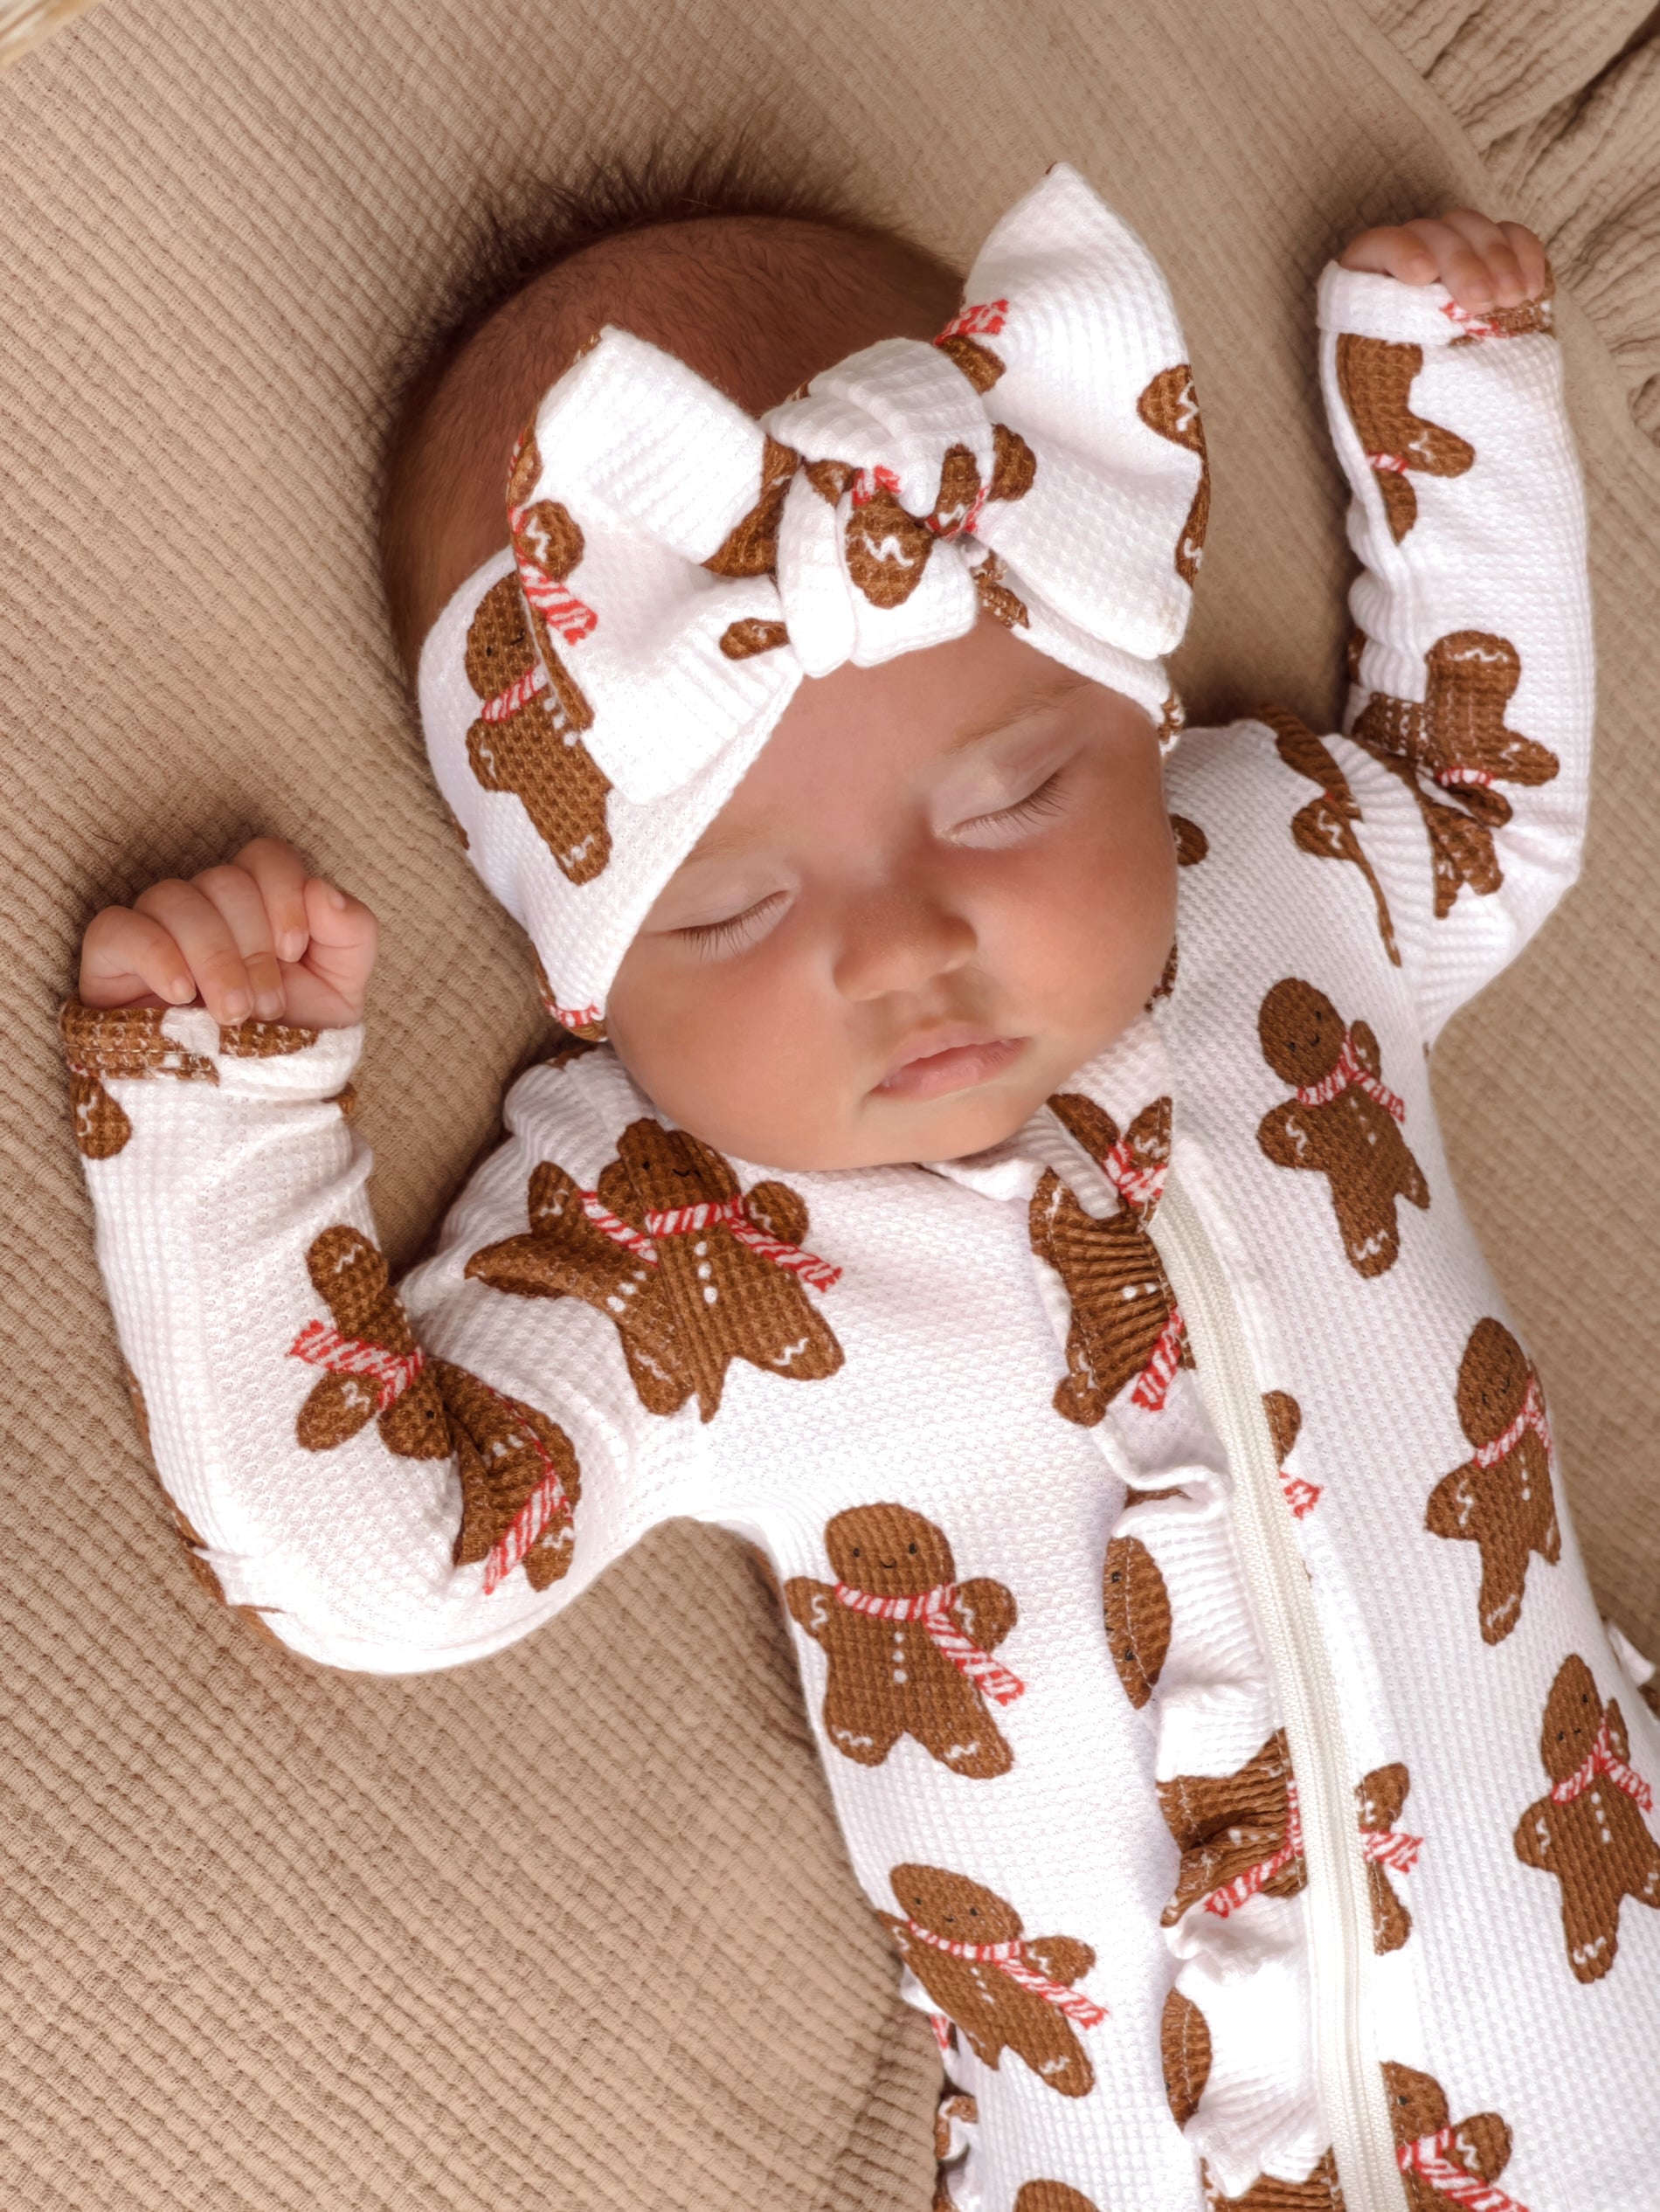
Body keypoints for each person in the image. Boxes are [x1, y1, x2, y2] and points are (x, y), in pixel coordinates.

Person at [64, 156, 1660, 2210]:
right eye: (722, 912)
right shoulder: (664, 1232)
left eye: (1011, 791)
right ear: (584, 976)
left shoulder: (1266, 878)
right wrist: (223, 1111)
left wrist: (1446, 398)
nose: (904, 946)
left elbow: (1477, 793)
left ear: (1125, 703)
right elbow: (377, 1564)